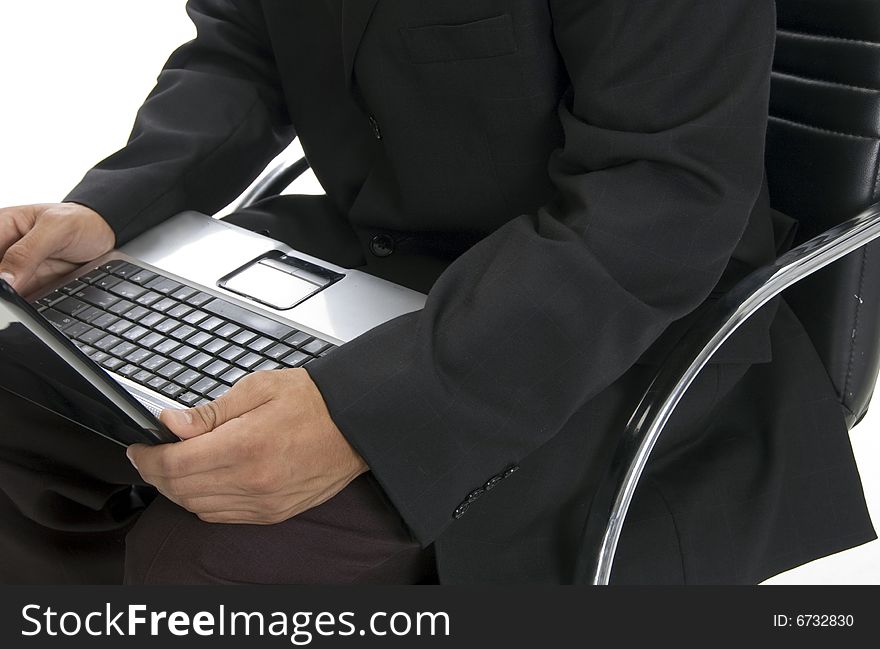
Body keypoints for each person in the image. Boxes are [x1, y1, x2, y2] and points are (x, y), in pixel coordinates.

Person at [0, 0, 875, 585]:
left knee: (218, 551)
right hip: (377, 259)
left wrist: (371, 413)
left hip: (617, 311)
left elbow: (662, 198)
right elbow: (242, 47)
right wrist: (113, 208)